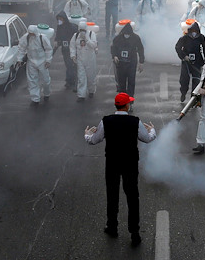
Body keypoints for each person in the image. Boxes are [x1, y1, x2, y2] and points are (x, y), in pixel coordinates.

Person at [84, 92, 156, 247]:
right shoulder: (135, 121)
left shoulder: (106, 121)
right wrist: (152, 130)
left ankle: (112, 227)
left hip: (112, 163)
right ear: (127, 105)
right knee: (132, 197)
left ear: (116, 105)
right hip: (130, 163)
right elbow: (148, 139)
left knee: (112, 195)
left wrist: (87, 134)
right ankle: (134, 233)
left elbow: (94, 140)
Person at [17, 25, 53, 105]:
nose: (31, 35)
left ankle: (47, 93)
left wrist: (48, 60)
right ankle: (35, 98)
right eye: (30, 33)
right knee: (32, 81)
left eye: (32, 33)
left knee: (46, 79)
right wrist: (19, 59)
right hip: (31, 61)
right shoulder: (26, 38)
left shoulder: (42, 38)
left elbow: (48, 49)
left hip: (42, 62)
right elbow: (21, 48)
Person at [175, 21, 205, 102]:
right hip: (186, 62)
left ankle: (193, 98)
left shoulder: (201, 37)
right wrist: (184, 56)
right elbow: (177, 47)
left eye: (196, 31)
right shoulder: (184, 38)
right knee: (184, 79)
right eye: (193, 31)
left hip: (197, 61)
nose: (194, 33)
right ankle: (183, 93)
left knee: (196, 80)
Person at [111, 23, 144, 99]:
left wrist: (141, 62)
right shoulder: (118, 38)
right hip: (120, 64)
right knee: (121, 83)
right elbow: (113, 48)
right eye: (125, 34)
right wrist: (114, 56)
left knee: (131, 82)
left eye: (128, 34)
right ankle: (122, 100)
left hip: (132, 63)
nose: (127, 35)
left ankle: (130, 100)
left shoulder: (136, 38)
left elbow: (140, 49)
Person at [70, 21, 98, 101]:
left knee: (90, 77)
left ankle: (91, 90)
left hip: (90, 60)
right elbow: (72, 46)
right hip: (80, 60)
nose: (82, 31)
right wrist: (73, 55)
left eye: (83, 30)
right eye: (81, 30)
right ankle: (81, 95)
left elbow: (94, 45)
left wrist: (87, 39)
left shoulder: (91, 34)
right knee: (81, 78)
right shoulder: (75, 36)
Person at [54, 11, 78, 90]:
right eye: (58, 19)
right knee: (68, 65)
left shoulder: (72, 27)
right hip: (65, 50)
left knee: (72, 65)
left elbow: (76, 37)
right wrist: (57, 42)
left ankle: (72, 80)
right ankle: (70, 80)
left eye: (60, 19)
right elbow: (58, 37)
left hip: (72, 49)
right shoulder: (59, 27)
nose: (59, 21)